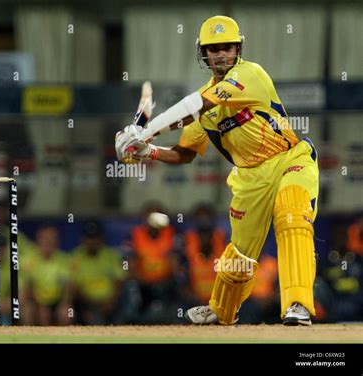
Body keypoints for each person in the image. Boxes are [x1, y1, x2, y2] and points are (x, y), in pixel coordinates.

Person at [115, 15, 319, 326]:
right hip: (249, 177)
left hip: (290, 160)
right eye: (214, 49)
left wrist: (144, 132)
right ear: (204, 54)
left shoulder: (250, 74)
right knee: (241, 253)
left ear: (239, 49)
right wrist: (148, 151)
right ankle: (222, 310)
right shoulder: (204, 108)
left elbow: (196, 106)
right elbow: (185, 154)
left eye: (228, 47)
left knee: (291, 217)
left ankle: (298, 305)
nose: (222, 54)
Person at [130, 203, 180, 324]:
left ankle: (172, 326)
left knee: (175, 287)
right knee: (131, 289)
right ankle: (135, 326)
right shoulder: (136, 234)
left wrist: (165, 278)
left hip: (166, 283)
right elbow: (130, 265)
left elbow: (176, 265)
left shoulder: (171, 233)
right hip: (142, 284)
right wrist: (144, 280)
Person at [70, 221, 126, 325]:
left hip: (111, 303)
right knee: (92, 318)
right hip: (87, 305)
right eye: (89, 237)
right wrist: (94, 304)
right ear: (83, 239)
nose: (92, 241)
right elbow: (75, 288)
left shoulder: (111, 256)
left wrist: (111, 301)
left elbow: (120, 281)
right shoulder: (75, 257)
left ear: (102, 238)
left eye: (95, 237)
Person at [30, 225, 73, 325]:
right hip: (37, 302)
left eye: (52, 239)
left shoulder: (64, 260)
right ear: (38, 241)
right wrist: (40, 306)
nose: (48, 242)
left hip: (58, 301)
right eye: (45, 239)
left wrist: (64, 304)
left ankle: (66, 339)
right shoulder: (29, 261)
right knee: (28, 309)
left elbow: (69, 287)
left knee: (68, 312)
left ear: (57, 242)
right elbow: (28, 288)